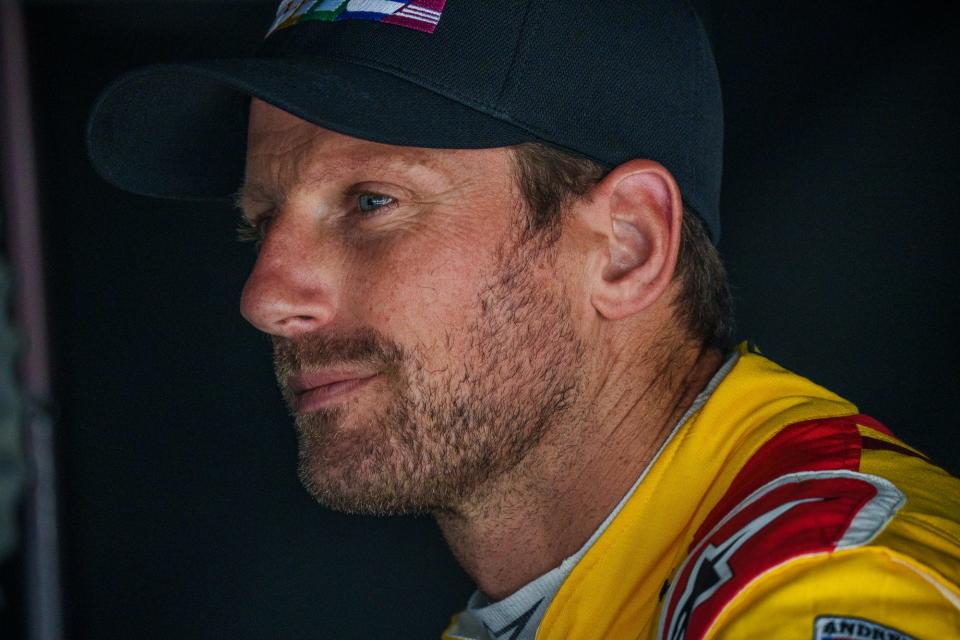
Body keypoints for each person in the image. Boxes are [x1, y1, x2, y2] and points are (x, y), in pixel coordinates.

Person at [86, 1, 960, 638]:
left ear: (625, 246)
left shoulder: (827, 586)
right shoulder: (568, 603)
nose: (266, 297)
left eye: (372, 200)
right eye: (258, 223)